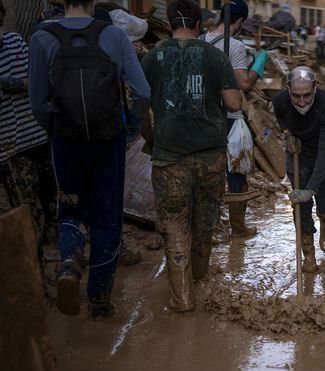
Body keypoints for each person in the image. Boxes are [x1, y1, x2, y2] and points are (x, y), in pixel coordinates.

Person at [29, 0, 150, 319]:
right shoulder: (114, 36)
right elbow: (143, 93)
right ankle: (99, 300)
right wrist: (131, 127)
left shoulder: (41, 37)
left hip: (65, 142)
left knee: (69, 206)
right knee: (107, 215)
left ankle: (69, 261)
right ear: (94, 2)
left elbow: (37, 102)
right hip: (108, 140)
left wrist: (55, 130)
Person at [141, 0, 241, 313]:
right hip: (210, 155)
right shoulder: (215, 56)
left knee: (174, 223)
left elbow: (141, 105)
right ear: (199, 24)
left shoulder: (153, 57)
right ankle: (198, 277)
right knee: (204, 220)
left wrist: (151, 138)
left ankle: (182, 297)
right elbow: (234, 103)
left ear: (170, 23)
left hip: (169, 157)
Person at [202, 0, 268, 238]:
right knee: (237, 170)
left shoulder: (201, 40)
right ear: (239, 22)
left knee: (208, 173)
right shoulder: (236, 46)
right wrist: (260, 62)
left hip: (204, 117)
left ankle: (207, 228)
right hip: (229, 116)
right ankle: (238, 227)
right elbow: (244, 83)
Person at [0, 23, 56, 284]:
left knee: (55, 203)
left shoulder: (15, 41)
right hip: (10, 151)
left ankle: (68, 265)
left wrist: (15, 83)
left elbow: (39, 79)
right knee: (28, 215)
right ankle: (38, 282)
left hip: (39, 137)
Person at [272, 67, 325, 272]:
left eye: (307, 95)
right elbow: (281, 117)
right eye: (296, 96)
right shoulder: (279, 101)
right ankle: (308, 254)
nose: (302, 102)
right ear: (288, 90)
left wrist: (311, 188)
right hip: (298, 153)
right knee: (300, 206)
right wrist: (287, 133)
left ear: (316, 88)